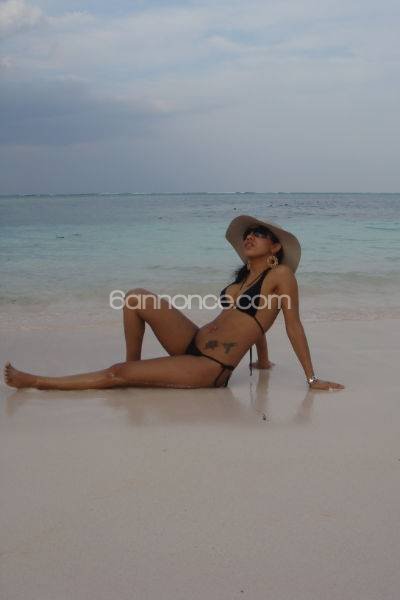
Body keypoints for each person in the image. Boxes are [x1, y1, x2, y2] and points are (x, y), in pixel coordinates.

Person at [4, 215, 345, 392]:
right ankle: (134, 370)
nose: (250, 236)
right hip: (192, 341)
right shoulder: (241, 281)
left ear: (275, 247)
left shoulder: (280, 275)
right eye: (247, 233)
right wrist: (264, 361)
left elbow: (290, 324)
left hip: (210, 367)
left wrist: (311, 379)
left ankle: (37, 381)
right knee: (135, 297)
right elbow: (253, 323)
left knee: (116, 373)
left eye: (259, 233)